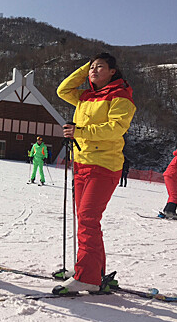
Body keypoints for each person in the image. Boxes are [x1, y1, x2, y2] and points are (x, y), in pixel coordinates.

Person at [54, 52, 136, 295]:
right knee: (87, 221)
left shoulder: (120, 96)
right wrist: (85, 68)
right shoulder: (86, 96)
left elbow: (116, 128)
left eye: (100, 67)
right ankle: (92, 271)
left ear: (113, 71)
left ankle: (87, 276)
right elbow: (62, 90)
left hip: (104, 165)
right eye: (92, 68)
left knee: (88, 219)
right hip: (82, 163)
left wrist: (79, 132)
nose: (94, 71)